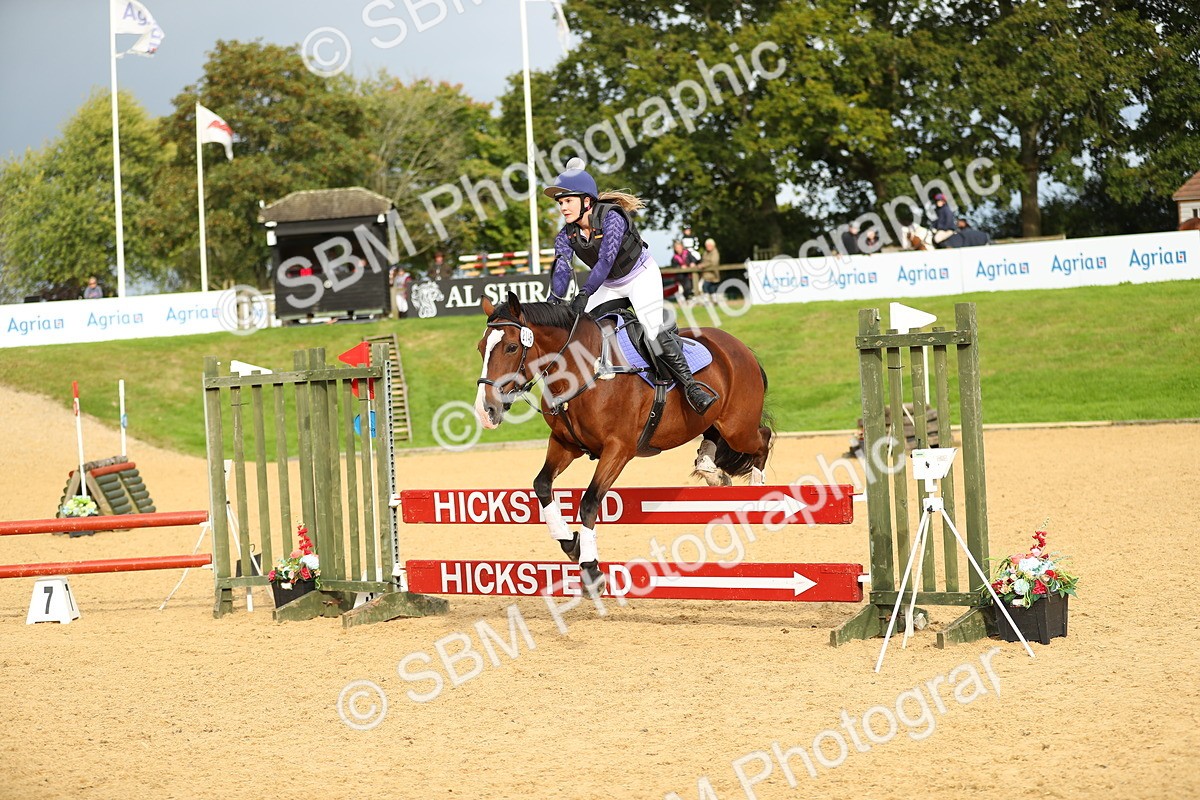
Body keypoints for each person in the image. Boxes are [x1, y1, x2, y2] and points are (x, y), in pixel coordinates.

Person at [544, 158, 717, 415]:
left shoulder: (612, 218)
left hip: (640, 276)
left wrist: (584, 293)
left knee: (652, 332)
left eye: (568, 201)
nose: (563, 208)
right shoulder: (566, 234)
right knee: (577, 329)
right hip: (610, 284)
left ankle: (691, 387)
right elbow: (561, 269)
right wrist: (555, 301)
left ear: (587, 202)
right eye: (560, 203)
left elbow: (605, 261)